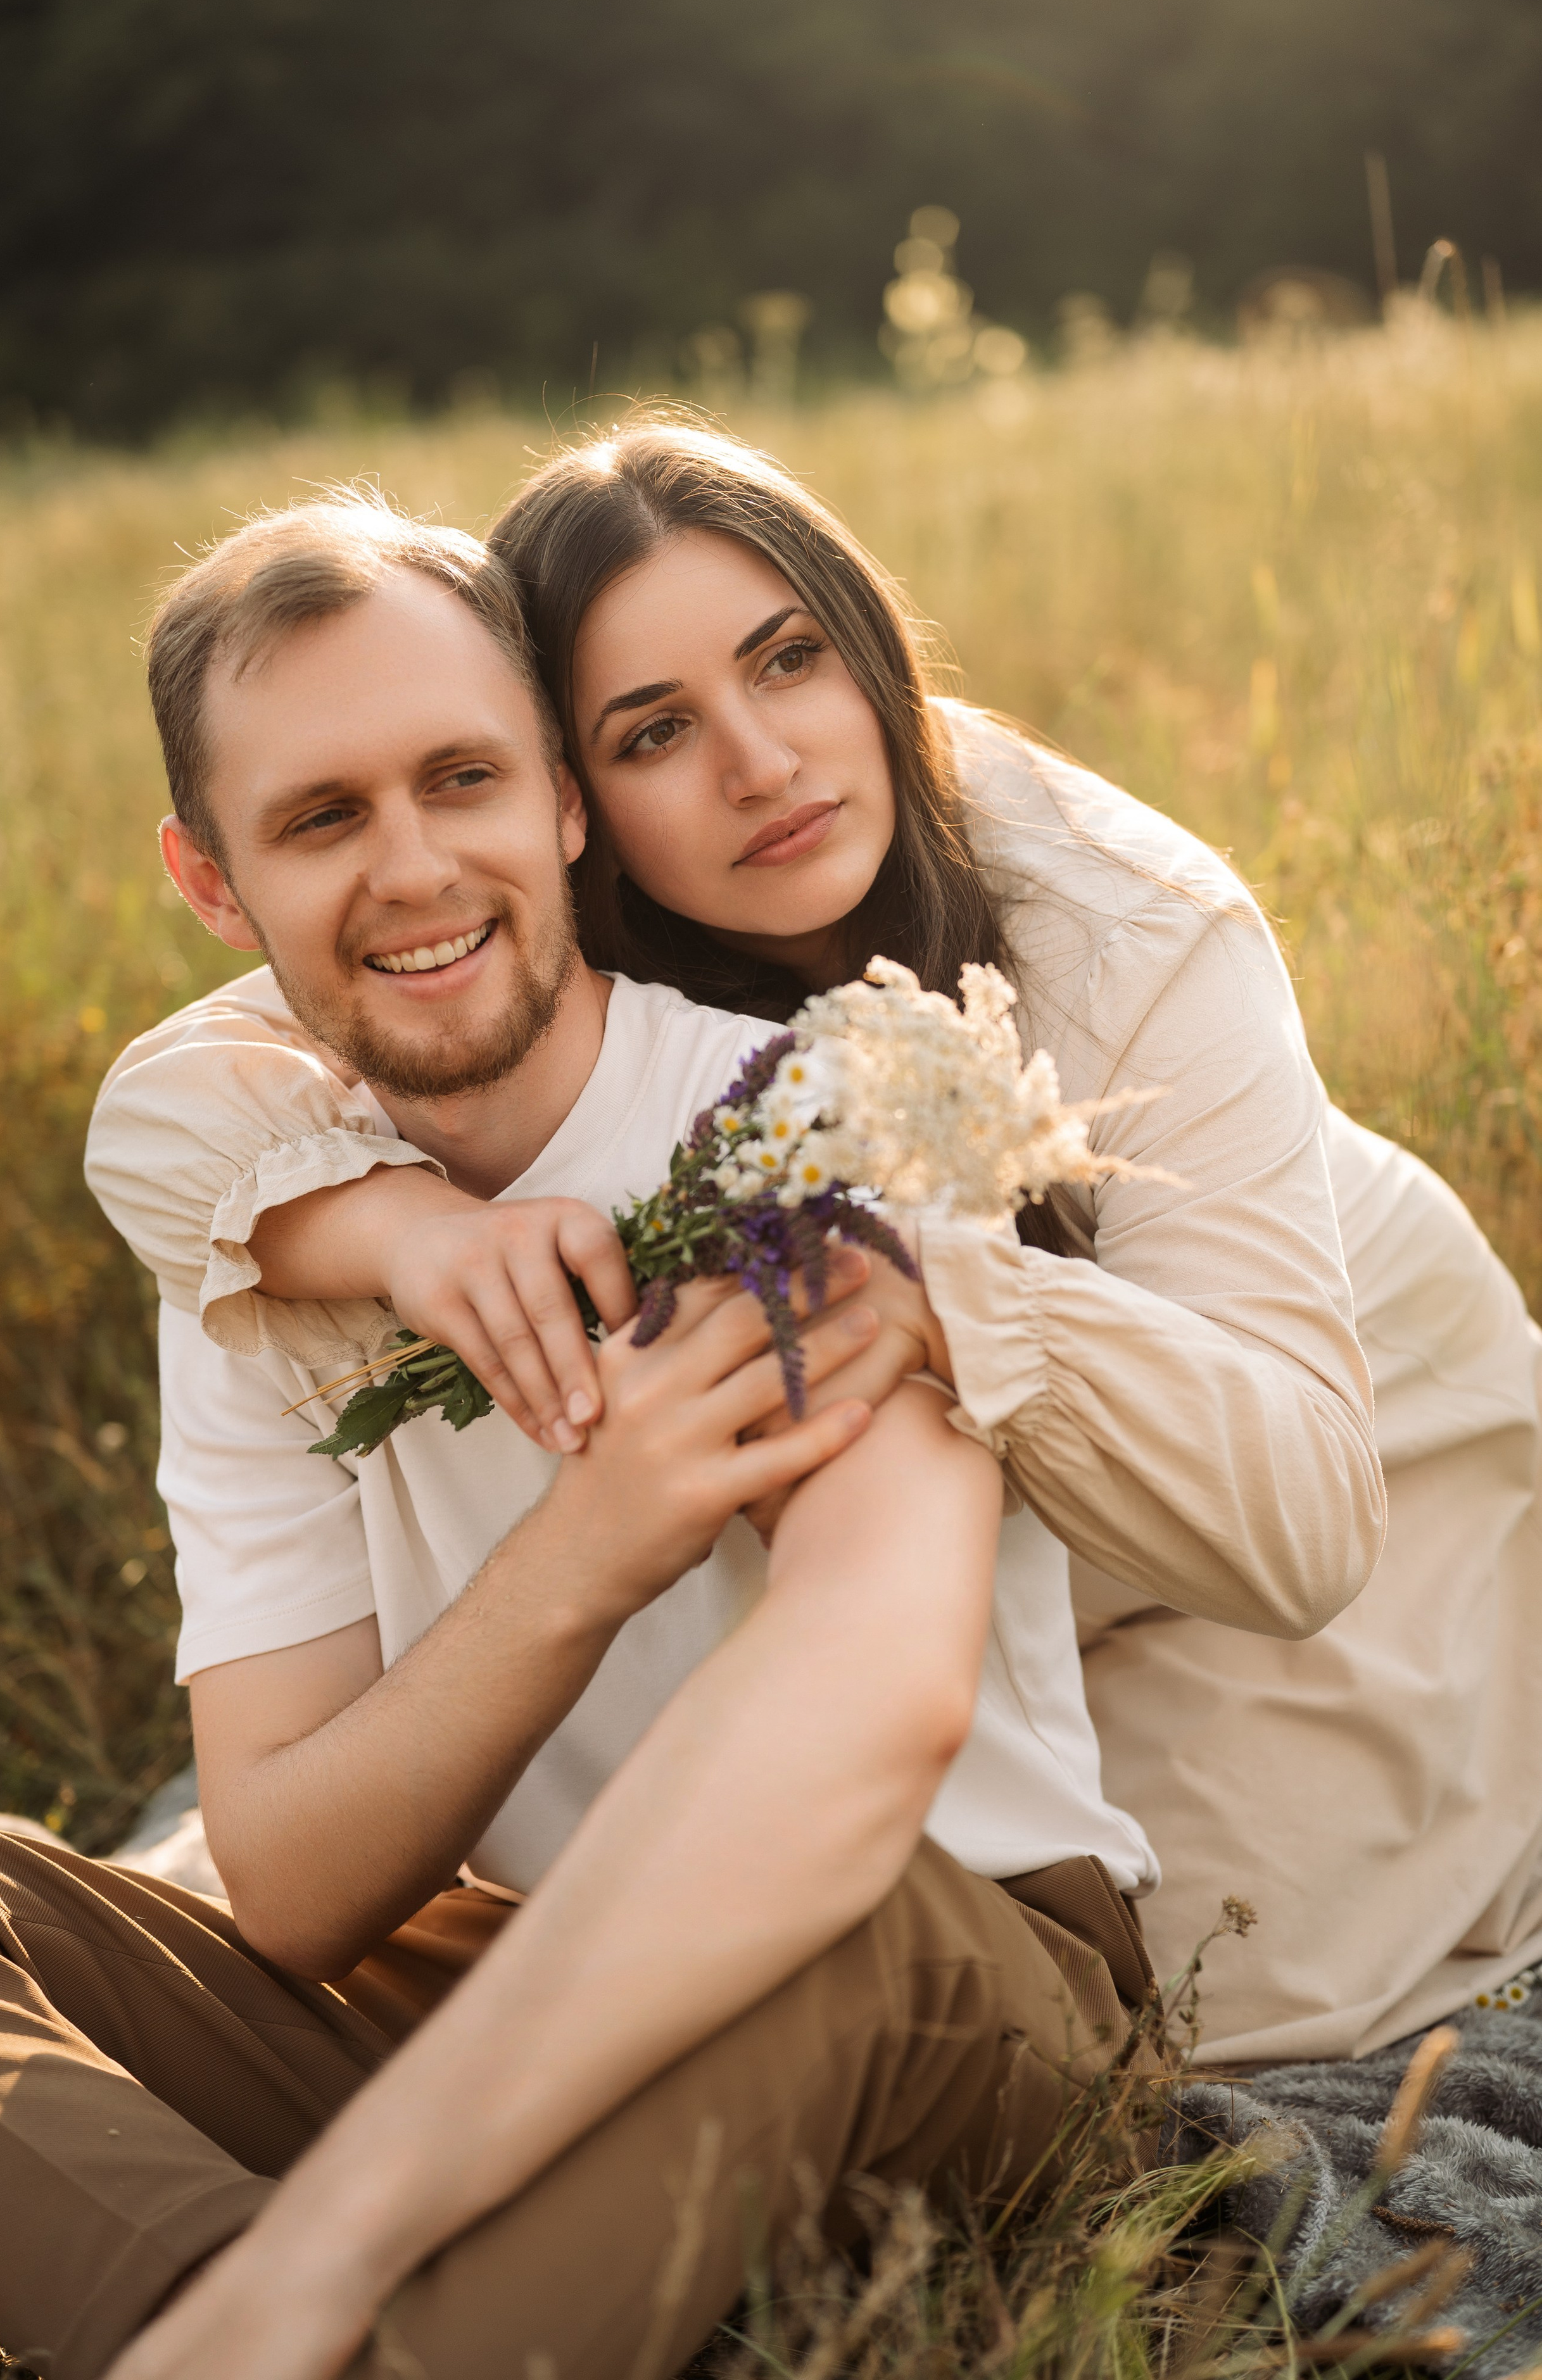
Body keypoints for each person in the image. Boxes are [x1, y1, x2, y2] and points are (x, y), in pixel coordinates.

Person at [89, 416, 1542, 2063]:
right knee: (703, 1918)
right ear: (567, 790)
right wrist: (388, 1218)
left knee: (1167, 1997)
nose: (761, 763)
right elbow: (173, 1097)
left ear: (869, 652)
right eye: (653, 731)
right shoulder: (509, 913)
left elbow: (1298, 1532)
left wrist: (953, 1292)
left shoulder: (1119, 916)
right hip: (976, 1559)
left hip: (1328, 1456)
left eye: (791, 661)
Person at [0, 499, 1165, 2380]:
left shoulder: (811, 1123)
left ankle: (290, 2304)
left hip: (933, 1969)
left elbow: (872, 1725)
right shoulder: (262, 1234)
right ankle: (229, 2316)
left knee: (841, 1944)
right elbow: (296, 1884)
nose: (413, 869)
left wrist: (337, 2243)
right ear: (209, 881)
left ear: (567, 807)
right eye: (323, 819)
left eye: (463, 780)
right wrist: (584, 1555)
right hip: (516, 1974)